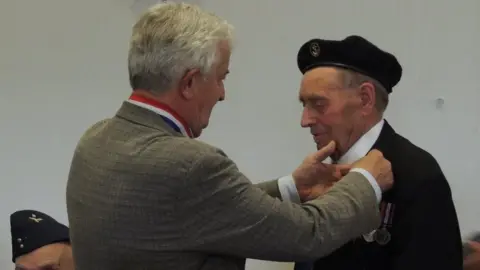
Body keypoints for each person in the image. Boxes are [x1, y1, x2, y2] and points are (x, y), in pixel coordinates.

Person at [65, 3, 394, 270]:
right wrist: (365, 180)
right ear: (190, 82)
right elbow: (307, 234)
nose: (222, 94)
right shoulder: (190, 165)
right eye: (220, 78)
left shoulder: (95, 140)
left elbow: (190, 210)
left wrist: (291, 187)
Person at [290, 35, 463, 270]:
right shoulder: (316, 176)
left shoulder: (416, 174)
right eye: (304, 104)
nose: (305, 120)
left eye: (318, 104)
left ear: (365, 99)